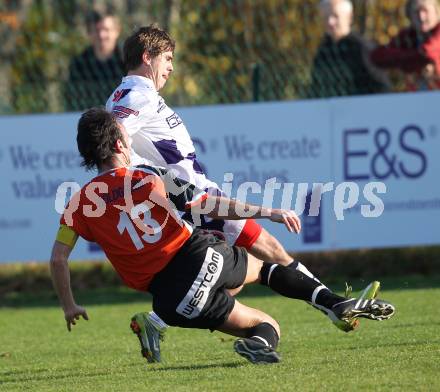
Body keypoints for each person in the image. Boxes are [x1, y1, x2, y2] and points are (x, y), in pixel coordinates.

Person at [50, 108, 395, 364]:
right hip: (196, 256)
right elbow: (205, 204)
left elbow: (58, 258)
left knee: (264, 324)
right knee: (263, 267)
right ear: (119, 143)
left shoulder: (79, 203)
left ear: (87, 155)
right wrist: (268, 211)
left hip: (170, 303)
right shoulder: (149, 175)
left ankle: (260, 345)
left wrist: (69, 305)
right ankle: (335, 304)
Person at [308, 0, 389, 98]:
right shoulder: (323, 51)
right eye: (325, 17)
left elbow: (380, 87)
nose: (330, 22)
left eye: (335, 16)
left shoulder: (362, 48)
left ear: (349, 18)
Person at [370, 0, 440, 91]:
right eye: (416, 12)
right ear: (409, 16)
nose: (421, 17)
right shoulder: (408, 36)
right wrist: (413, 61)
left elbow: (428, 52)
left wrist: (405, 62)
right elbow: (378, 57)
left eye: (425, 11)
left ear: (437, 11)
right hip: (417, 97)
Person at [65, 10, 125, 111]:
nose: (101, 35)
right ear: (89, 33)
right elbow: (72, 99)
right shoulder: (79, 64)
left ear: (117, 31)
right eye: (97, 30)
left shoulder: (129, 60)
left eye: (106, 30)